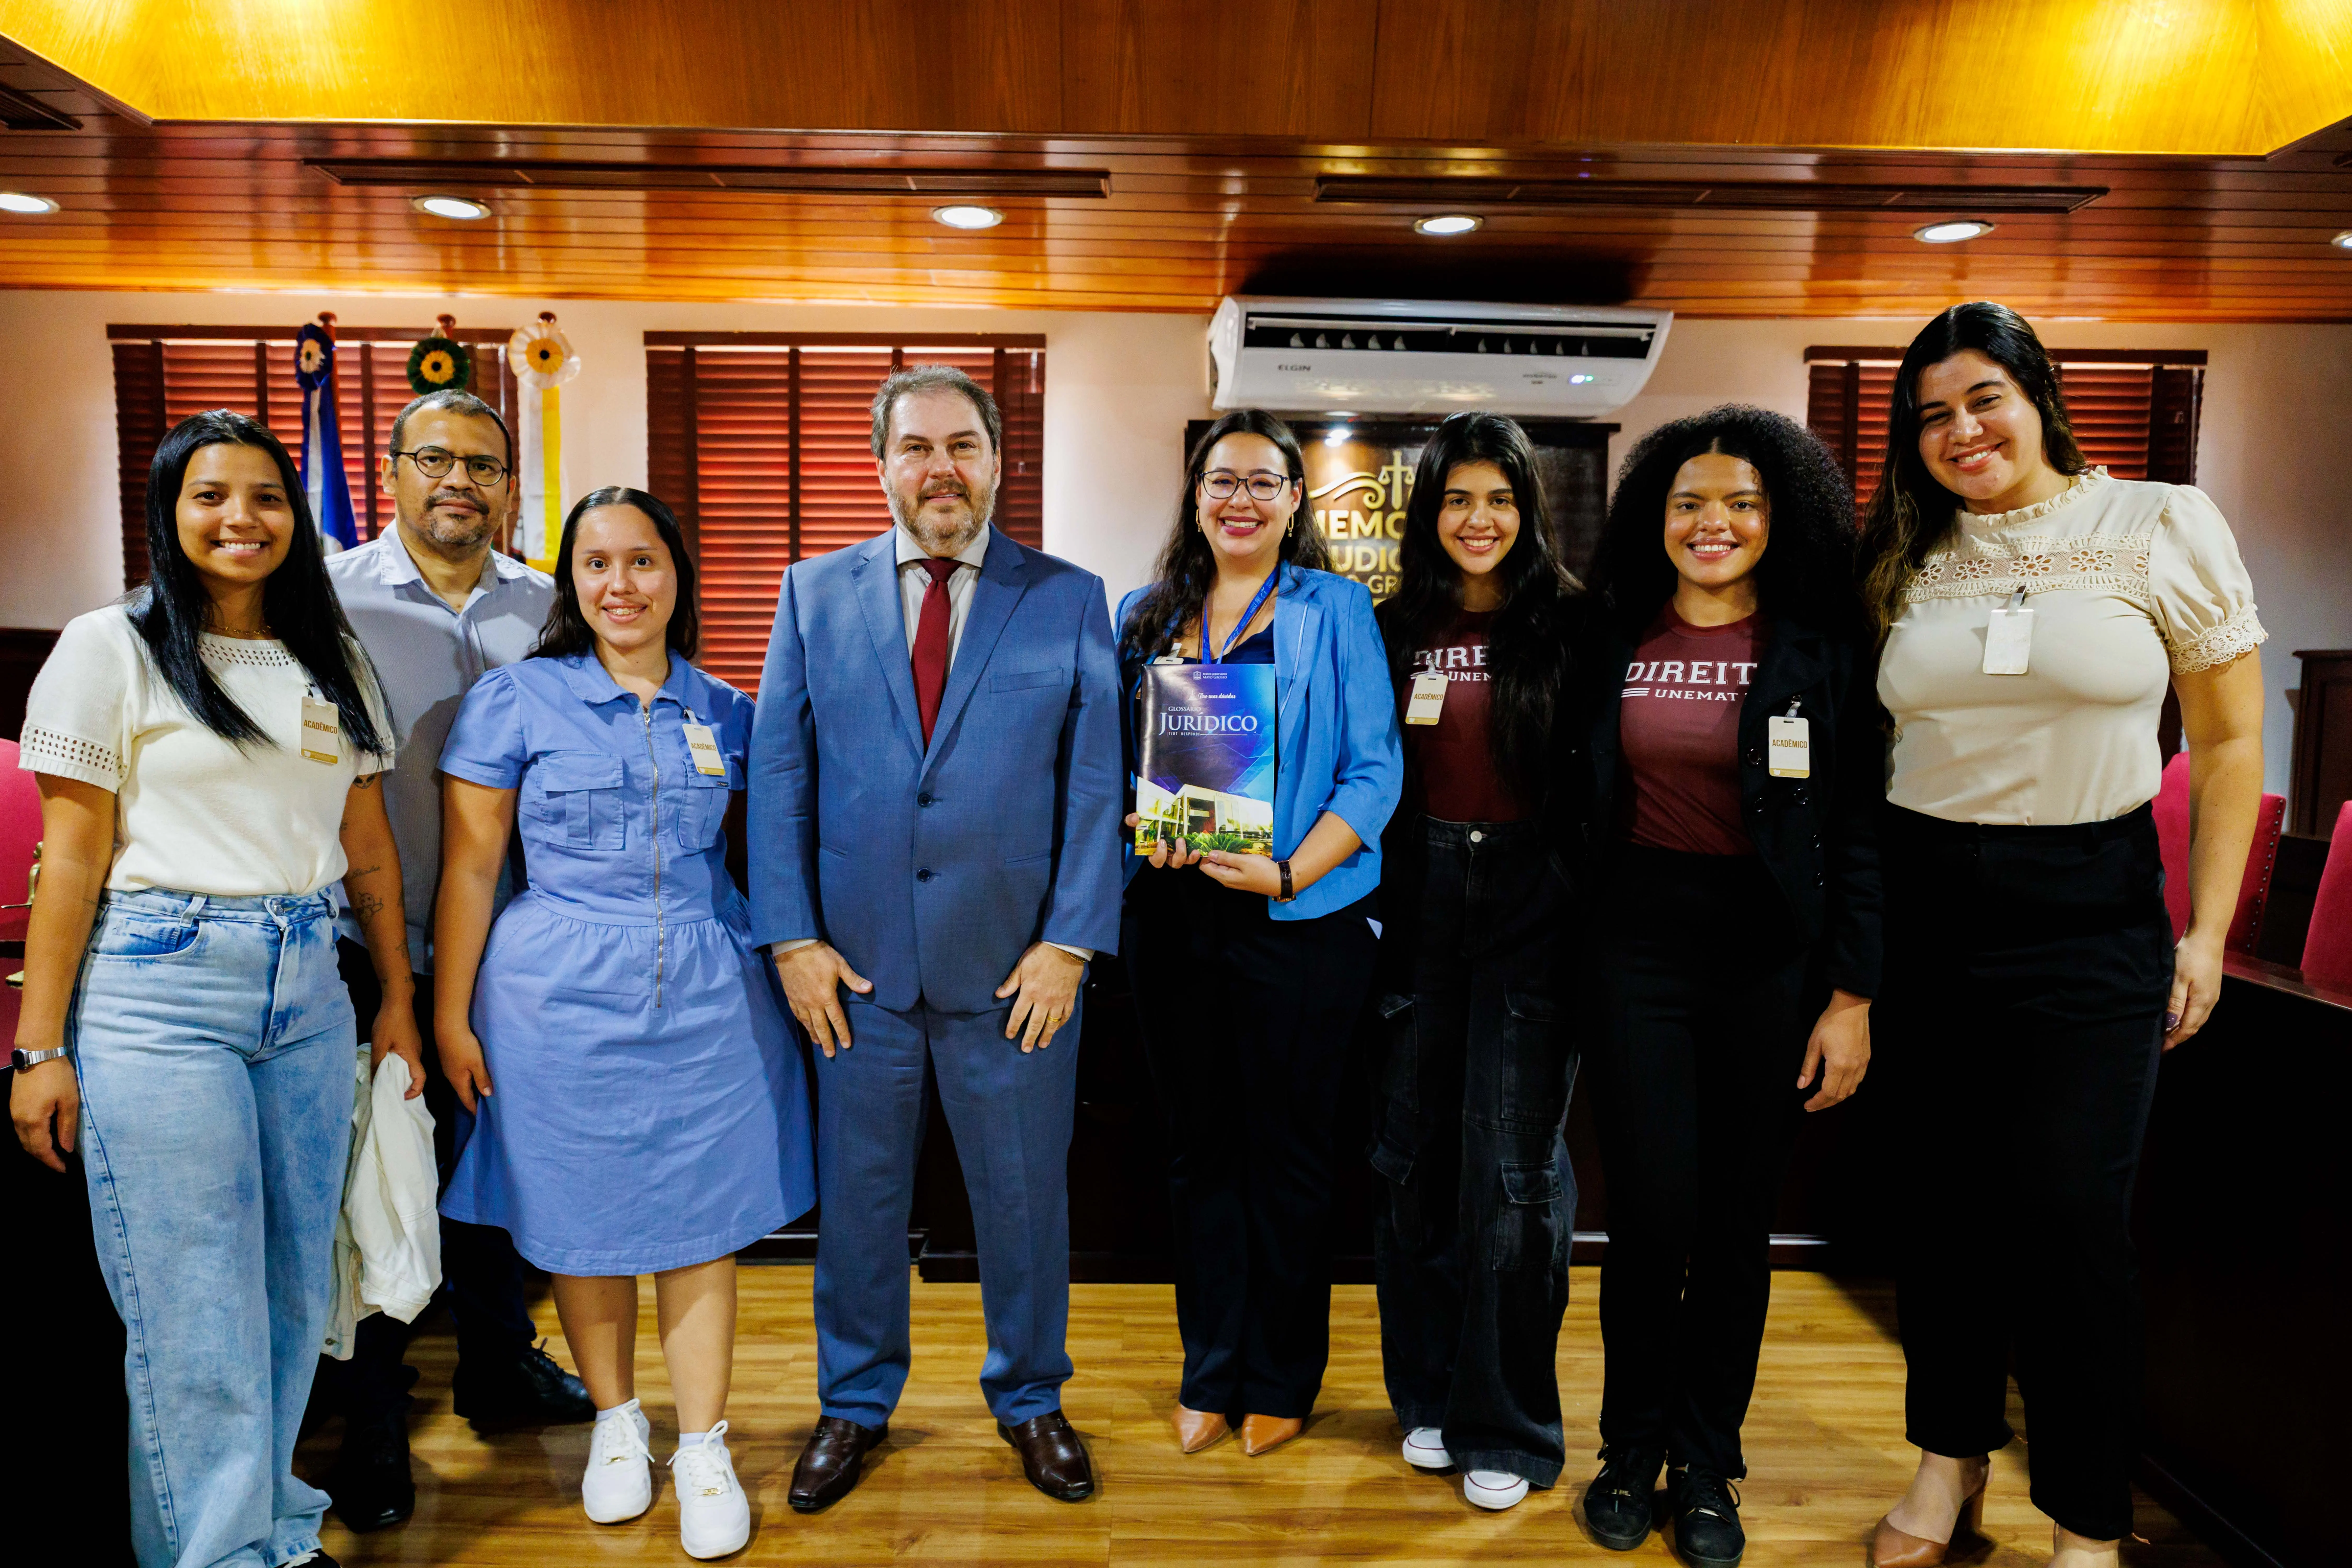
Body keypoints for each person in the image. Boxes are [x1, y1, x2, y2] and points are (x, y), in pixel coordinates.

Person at [1860, 304, 2264, 1568]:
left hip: (2089, 906)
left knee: (2073, 1223)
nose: (1960, 431)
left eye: (1983, 398)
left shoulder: (2158, 523)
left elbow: (2234, 740)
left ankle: (2089, 1516)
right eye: (1930, 414)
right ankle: (1950, 1461)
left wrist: (2204, 934)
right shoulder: (1904, 553)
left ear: (2040, 394)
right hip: (1927, 901)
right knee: (1942, 1216)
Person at [10, 410, 413, 1568]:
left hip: (308, 992)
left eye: (267, 497)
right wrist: (43, 1053)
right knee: (196, 1314)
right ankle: (221, 1558)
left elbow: (370, 848)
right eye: (211, 496)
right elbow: (71, 862)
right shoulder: (109, 646)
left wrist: (393, 997)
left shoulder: (330, 655)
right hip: (160, 989)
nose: (242, 518)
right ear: (168, 512)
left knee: (293, 1295)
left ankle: (273, 1534)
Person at [749, 365, 1123, 1510]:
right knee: (858, 1209)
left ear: (998, 460)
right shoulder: (811, 594)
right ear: (881, 466)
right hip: (852, 975)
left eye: (963, 445)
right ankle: (854, 1404)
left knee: (1024, 1204)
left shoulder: (1067, 596)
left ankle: (1031, 1399)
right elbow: (778, 776)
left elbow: (1097, 783)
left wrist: (1071, 942)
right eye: (916, 448)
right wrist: (789, 940)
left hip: (1017, 972)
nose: (940, 468)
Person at [432, 486, 814, 1559]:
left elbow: (770, 854)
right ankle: (615, 1426)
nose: (620, 586)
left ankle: (702, 1445)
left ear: (677, 576)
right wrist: (451, 1017)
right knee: (583, 1221)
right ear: (571, 584)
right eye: (596, 565)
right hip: (551, 993)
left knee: (700, 1225)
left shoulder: (728, 711)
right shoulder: (515, 702)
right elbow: (470, 870)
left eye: (642, 562)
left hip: (703, 990)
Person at [1573, 406, 1881, 1568]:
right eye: (1691, 503)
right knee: (1649, 1218)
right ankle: (1629, 1453)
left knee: (1736, 1226)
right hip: (1633, 955)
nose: (1714, 522)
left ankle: (1710, 1464)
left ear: (1779, 517)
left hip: (1769, 961)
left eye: (1741, 503)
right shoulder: (1613, 636)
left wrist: (1852, 994)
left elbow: (1856, 830)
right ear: (1657, 519)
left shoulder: (1822, 648)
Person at [313, 387, 591, 1534]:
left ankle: (497, 1361)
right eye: (436, 459)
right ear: (393, 471)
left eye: (484, 465)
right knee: (381, 1182)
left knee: (493, 1173)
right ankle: (375, 1415)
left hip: (516, 954)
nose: (459, 482)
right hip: (368, 946)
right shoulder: (319, 597)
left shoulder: (551, 606)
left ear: (512, 486)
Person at [1117, 408, 1403, 1459]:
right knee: (1199, 1156)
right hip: (1172, 918)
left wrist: (1288, 869)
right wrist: (1139, 826)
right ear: (1197, 499)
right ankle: (1212, 1368)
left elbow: (1376, 771)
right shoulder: (1146, 616)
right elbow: (1117, 759)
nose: (1239, 499)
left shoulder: (1337, 609)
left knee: (1290, 1158)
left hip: (1299, 918)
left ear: (1293, 502)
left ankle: (1281, 1376)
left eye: (1263, 482)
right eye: (1220, 481)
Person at [1367, 411, 1582, 1512]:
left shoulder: (1574, 626)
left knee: (1512, 1176)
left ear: (1527, 511)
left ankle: (1513, 1425)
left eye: (1500, 499)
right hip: (1416, 906)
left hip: (1534, 910)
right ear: (1430, 513)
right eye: (1459, 499)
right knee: (1411, 1160)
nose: (1479, 519)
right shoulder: (1390, 624)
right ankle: (1432, 1398)